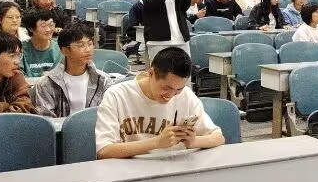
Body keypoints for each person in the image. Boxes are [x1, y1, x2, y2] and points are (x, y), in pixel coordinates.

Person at [95, 47, 223, 159]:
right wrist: (156, 143)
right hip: (129, 171)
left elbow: (218, 138)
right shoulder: (117, 95)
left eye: (178, 89)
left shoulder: (186, 96)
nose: (171, 95)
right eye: (166, 88)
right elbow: (104, 151)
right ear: (151, 73)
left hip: (173, 170)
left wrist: (193, 142)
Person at [34, 25, 114, 118]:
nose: (88, 50)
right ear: (65, 51)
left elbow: (110, 115)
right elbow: (46, 121)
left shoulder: (103, 80)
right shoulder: (46, 84)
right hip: (60, 127)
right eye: (81, 45)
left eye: (90, 44)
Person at [21, 9, 61, 76]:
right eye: (43, 26)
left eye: (51, 25)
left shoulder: (60, 49)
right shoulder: (20, 49)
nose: (48, 30)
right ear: (31, 28)